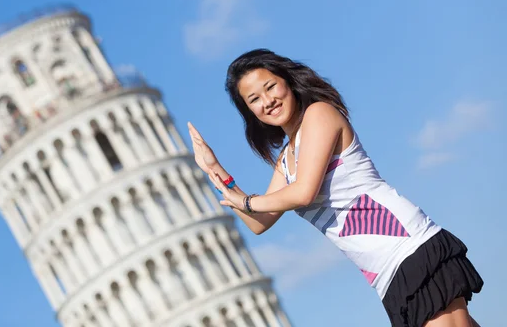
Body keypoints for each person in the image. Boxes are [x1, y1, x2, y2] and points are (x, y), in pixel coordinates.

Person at [187, 49, 483, 327]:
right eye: (254, 99)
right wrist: (216, 170)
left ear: (288, 81)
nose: (267, 101)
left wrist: (248, 201)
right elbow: (259, 222)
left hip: (408, 249)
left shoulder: (319, 115)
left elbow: (304, 193)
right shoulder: (286, 160)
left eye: (270, 87)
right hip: (384, 274)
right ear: (249, 111)